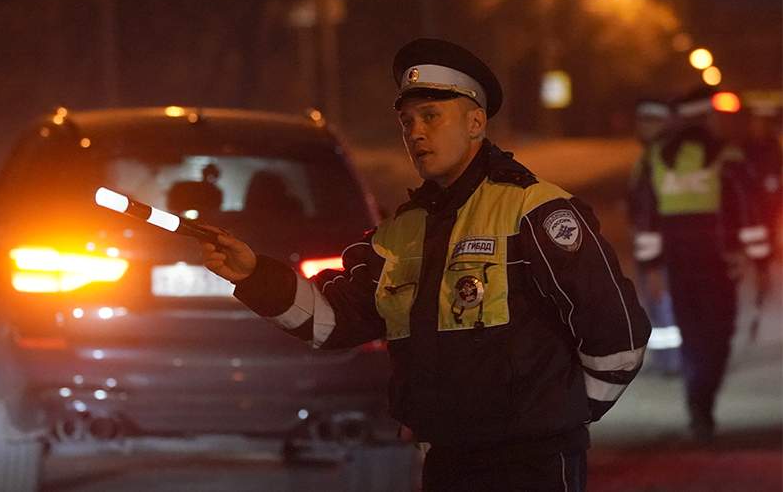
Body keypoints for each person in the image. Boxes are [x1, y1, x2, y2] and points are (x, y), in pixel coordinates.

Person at [201, 38, 651, 491]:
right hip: (445, 463)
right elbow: (332, 321)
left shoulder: (534, 211)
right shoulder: (401, 232)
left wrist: (561, 415)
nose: (416, 133)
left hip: (530, 466)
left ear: (476, 122)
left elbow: (620, 338)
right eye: (407, 121)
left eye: (431, 117)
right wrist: (254, 275)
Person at [628, 86, 771, 443]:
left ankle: (698, 405)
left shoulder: (657, 157)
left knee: (691, 335)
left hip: (678, 264)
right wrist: (760, 260)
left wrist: (652, 268)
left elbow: (646, 218)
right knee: (717, 336)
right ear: (708, 116)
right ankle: (702, 403)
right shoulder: (727, 156)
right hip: (720, 263)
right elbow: (749, 211)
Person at [628, 99, 681, 374]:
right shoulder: (658, 153)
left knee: (662, 300)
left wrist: (651, 266)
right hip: (668, 244)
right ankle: (672, 359)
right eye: (641, 119)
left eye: (650, 120)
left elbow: (649, 213)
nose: (642, 126)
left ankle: (672, 362)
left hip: (658, 248)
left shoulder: (656, 157)